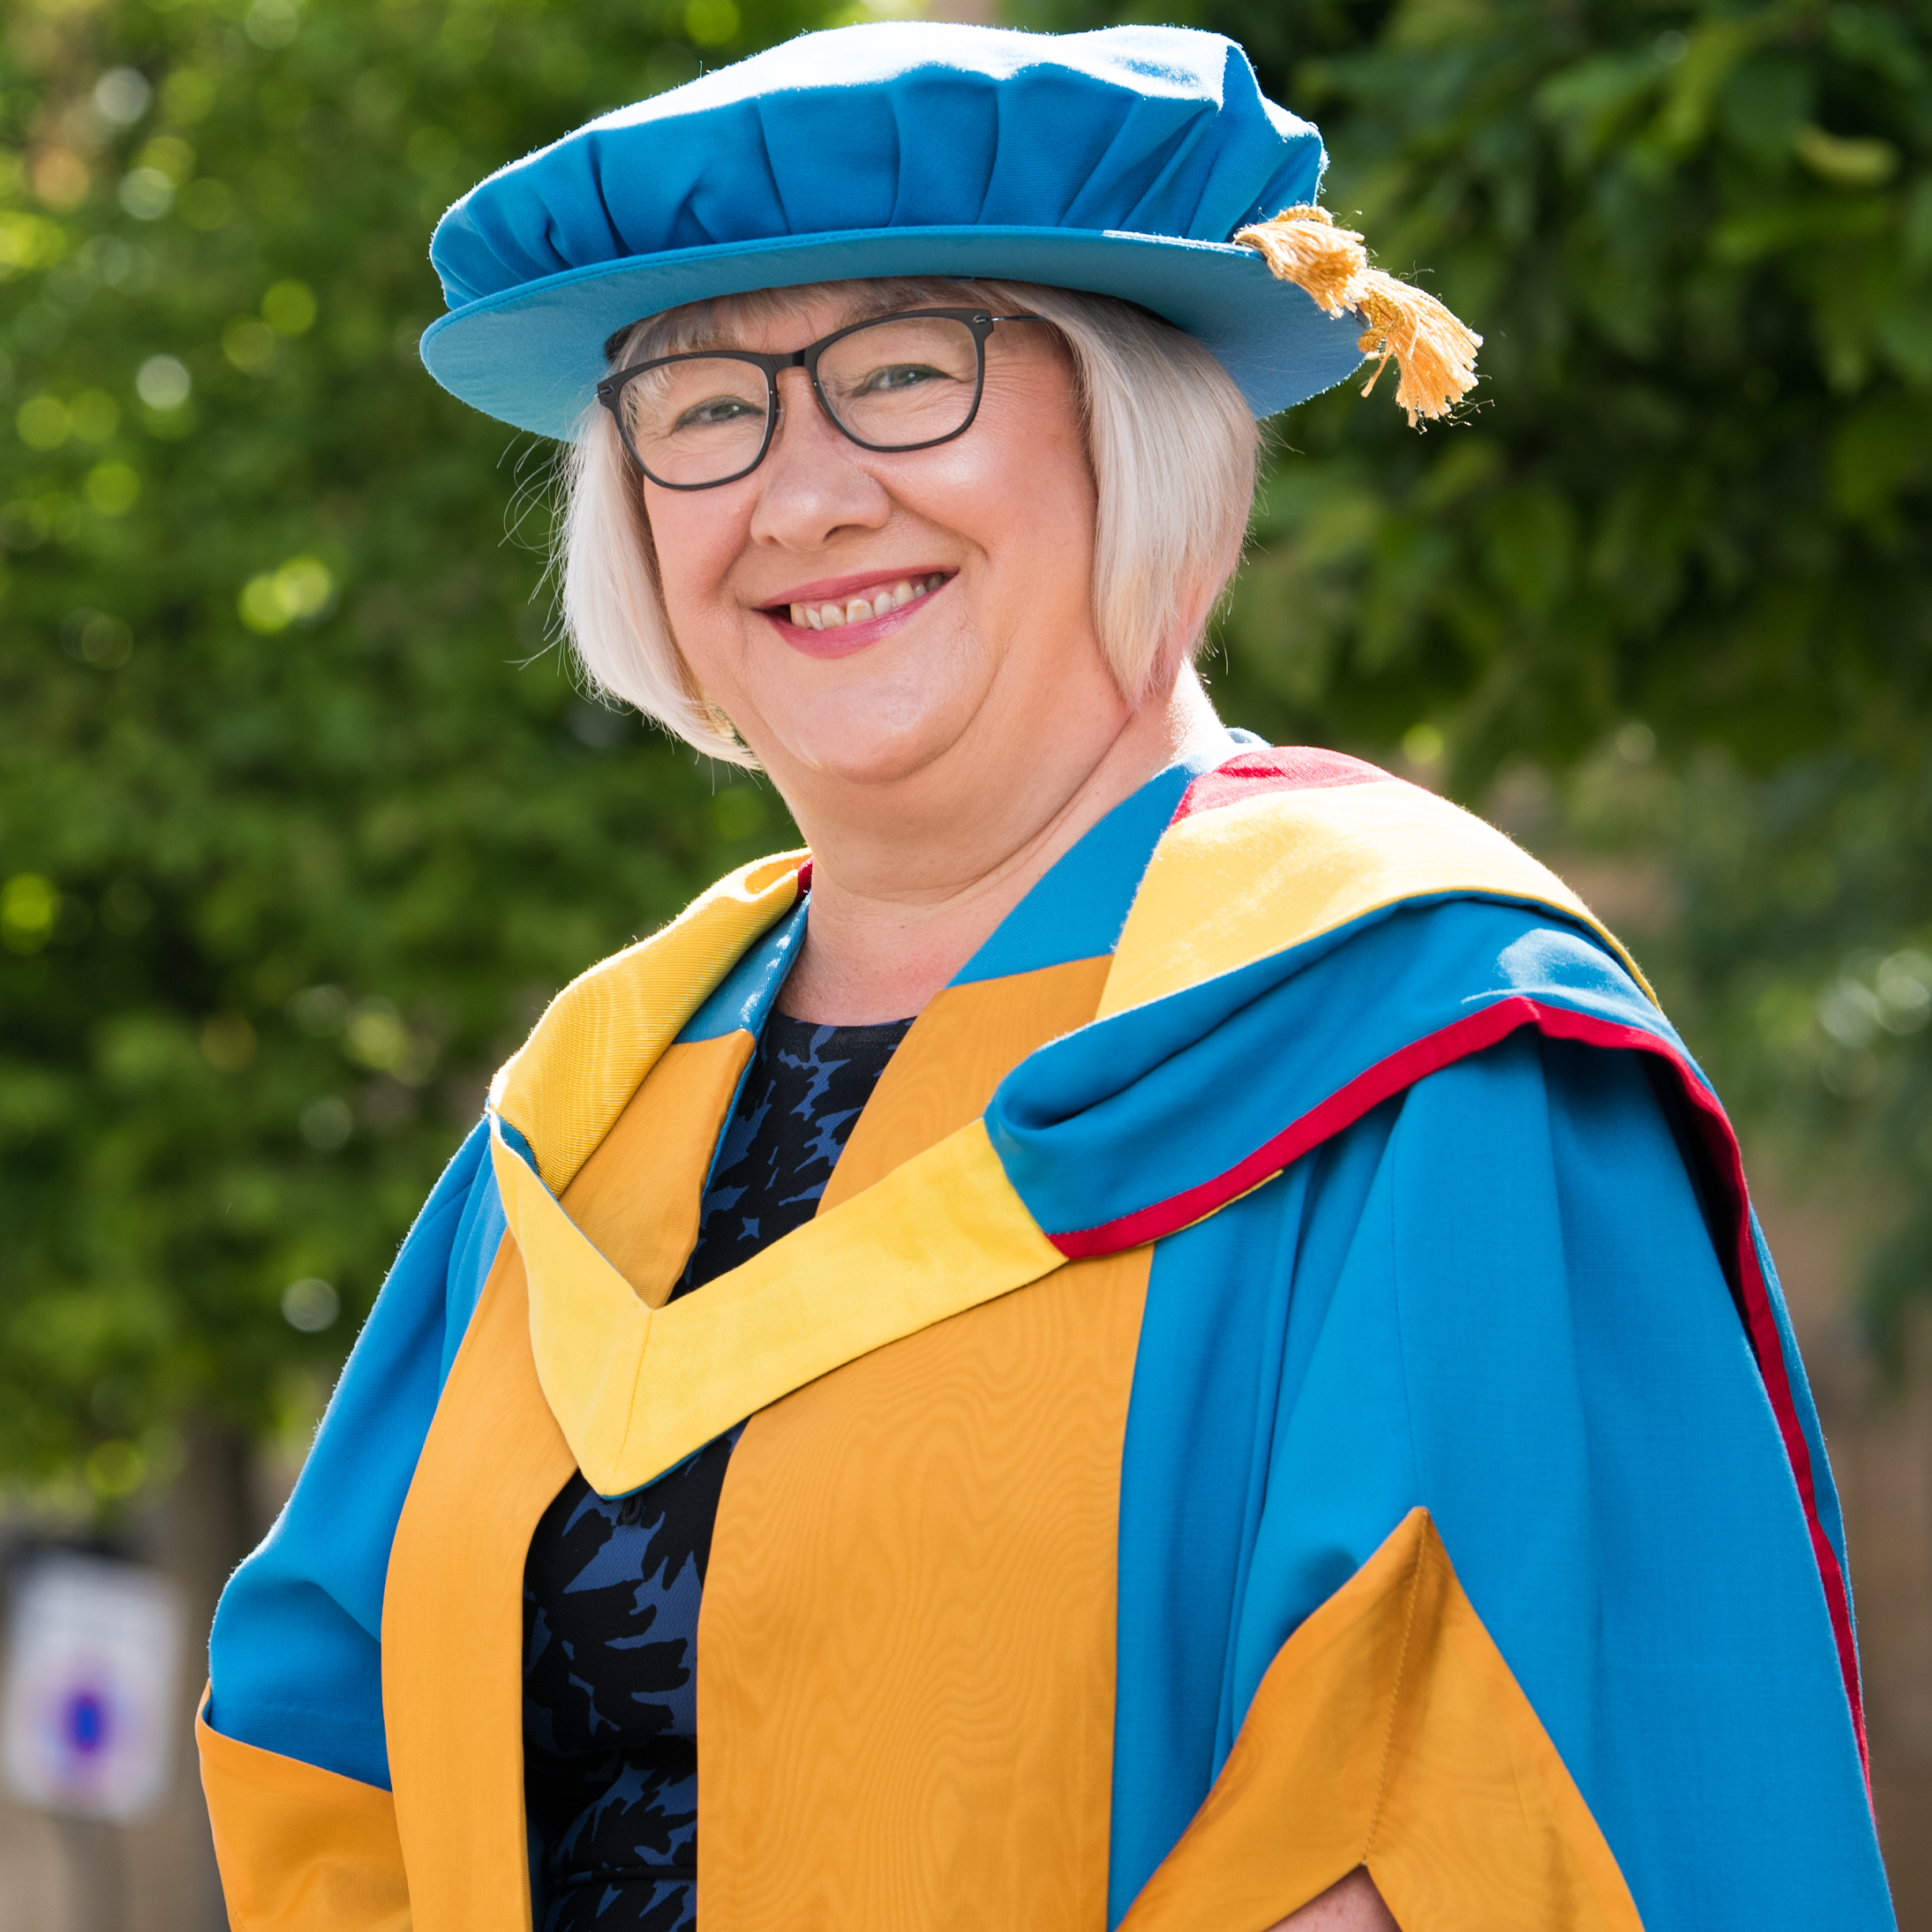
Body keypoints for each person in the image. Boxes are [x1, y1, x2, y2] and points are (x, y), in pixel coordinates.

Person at [195, 23, 1893, 1932]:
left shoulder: (1419, 1051)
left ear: (1131, 427)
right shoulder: (596, 1108)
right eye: (702, 407)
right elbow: (328, 1744)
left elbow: (1467, 1821)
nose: (801, 498)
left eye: (904, 373)